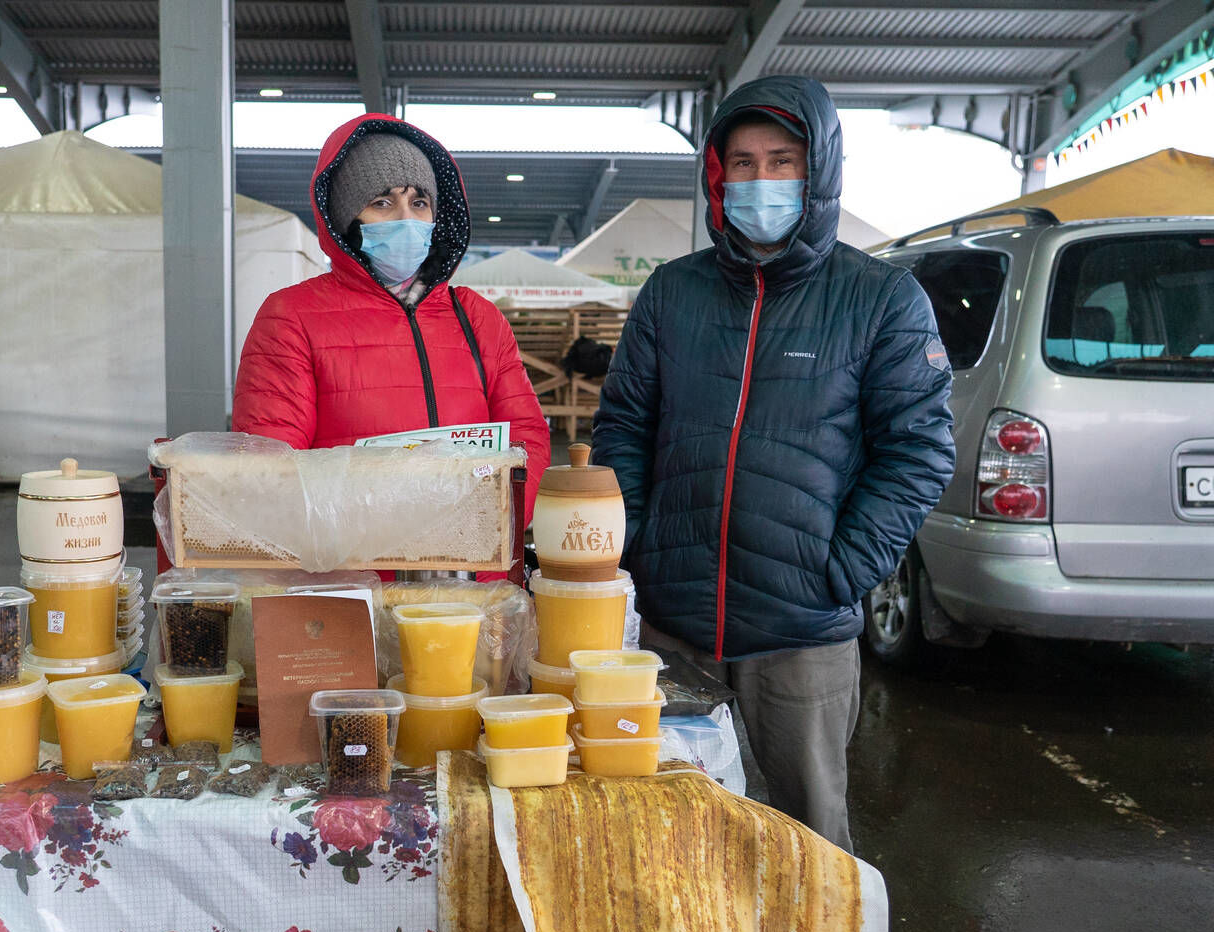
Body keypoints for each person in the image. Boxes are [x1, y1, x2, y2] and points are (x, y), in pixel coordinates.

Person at [592, 76, 955, 852]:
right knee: (670, 834)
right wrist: (639, 549)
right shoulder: (671, 294)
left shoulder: (881, 299)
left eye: (782, 161)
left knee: (809, 838)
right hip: (673, 626)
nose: (762, 181)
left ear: (818, 171)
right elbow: (623, 427)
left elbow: (919, 451)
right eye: (744, 162)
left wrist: (841, 569)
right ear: (719, 176)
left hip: (802, 636)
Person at [233, 114, 550, 521]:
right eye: (382, 202)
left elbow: (528, 438)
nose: (406, 218)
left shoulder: (476, 318)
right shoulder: (292, 316)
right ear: (348, 220)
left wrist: (491, 519)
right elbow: (269, 464)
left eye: (419, 202)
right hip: (353, 575)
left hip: (469, 571)